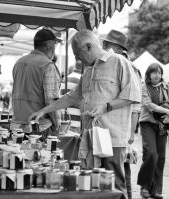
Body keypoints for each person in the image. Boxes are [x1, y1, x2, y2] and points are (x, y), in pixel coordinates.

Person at [29, 30, 141, 196]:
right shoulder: (88, 71)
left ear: (89, 46)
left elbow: (133, 95)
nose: (77, 59)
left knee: (115, 185)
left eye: (78, 54)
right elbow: (71, 97)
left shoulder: (119, 62)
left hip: (113, 139)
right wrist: (44, 110)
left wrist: (106, 107)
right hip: (90, 136)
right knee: (92, 184)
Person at [102, 29, 142, 199]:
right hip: (108, 129)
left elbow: (136, 104)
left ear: (118, 49)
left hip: (121, 129)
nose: (103, 47)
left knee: (120, 175)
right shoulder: (107, 63)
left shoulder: (130, 67)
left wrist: (131, 133)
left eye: (107, 44)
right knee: (120, 173)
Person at [11, 28, 62, 137]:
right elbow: (51, 101)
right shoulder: (47, 65)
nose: (54, 49)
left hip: (17, 125)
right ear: (48, 45)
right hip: (38, 127)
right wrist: (57, 125)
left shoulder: (19, 62)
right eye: (54, 45)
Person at [137, 63, 168, 199]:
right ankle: (144, 186)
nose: (157, 75)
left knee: (160, 158)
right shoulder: (144, 87)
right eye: (154, 72)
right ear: (149, 74)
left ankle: (155, 190)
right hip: (147, 124)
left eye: (159, 73)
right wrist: (166, 110)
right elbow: (149, 105)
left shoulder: (166, 87)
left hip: (162, 125)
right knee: (151, 154)